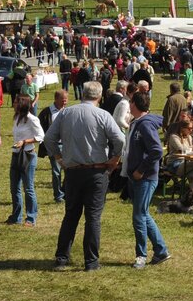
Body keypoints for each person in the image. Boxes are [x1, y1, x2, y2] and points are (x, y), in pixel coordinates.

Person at [44, 81, 126, 272]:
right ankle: (91, 262)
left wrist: (59, 157)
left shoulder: (66, 113)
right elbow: (120, 138)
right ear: (98, 97)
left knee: (71, 215)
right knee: (93, 217)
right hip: (96, 171)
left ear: (83, 95)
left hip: (72, 171)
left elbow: (49, 138)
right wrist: (114, 159)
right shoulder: (103, 114)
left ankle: (62, 257)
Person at [122, 92, 170, 268]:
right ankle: (161, 250)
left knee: (139, 217)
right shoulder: (138, 122)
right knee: (143, 214)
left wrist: (141, 170)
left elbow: (157, 150)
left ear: (134, 104)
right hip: (137, 176)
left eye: (130, 102)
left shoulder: (145, 125)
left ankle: (141, 256)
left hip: (145, 178)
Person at [7, 96, 43, 226]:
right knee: (14, 187)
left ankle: (31, 217)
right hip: (16, 154)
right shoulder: (16, 118)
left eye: (16, 102)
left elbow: (40, 137)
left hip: (28, 155)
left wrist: (24, 142)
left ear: (22, 105)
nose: (14, 104)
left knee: (28, 188)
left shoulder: (32, 119)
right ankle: (16, 216)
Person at [38, 90, 69, 203]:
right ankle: (58, 195)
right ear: (56, 99)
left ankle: (67, 192)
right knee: (56, 171)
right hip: (54, 146)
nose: (65, 101)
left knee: (69, 170)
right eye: (63, 99)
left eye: (66, 99)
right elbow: (39, 128)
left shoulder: (68, 111)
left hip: (67, 145)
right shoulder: (46, 112)